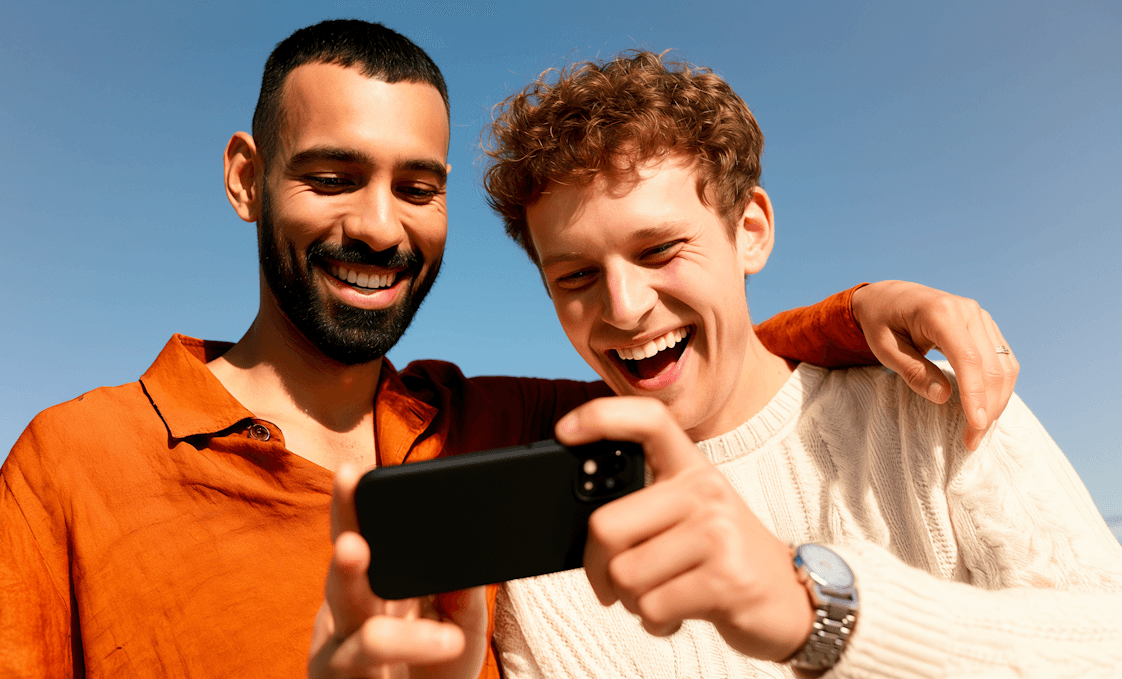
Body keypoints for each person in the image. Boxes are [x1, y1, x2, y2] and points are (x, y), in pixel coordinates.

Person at [0, 21, 1020, 679]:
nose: (378, 225)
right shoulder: (73, 464)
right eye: (330, 175)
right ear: (244, 178)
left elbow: (688, 369)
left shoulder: (505, 431)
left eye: (418, 186)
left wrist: (862, 312)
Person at [471, 51, 1120, 677]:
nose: (625, 306)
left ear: (749, 229)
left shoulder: (937, 413)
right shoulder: (545, 554)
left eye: (660, 249)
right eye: (577, 274)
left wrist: (825, 615)